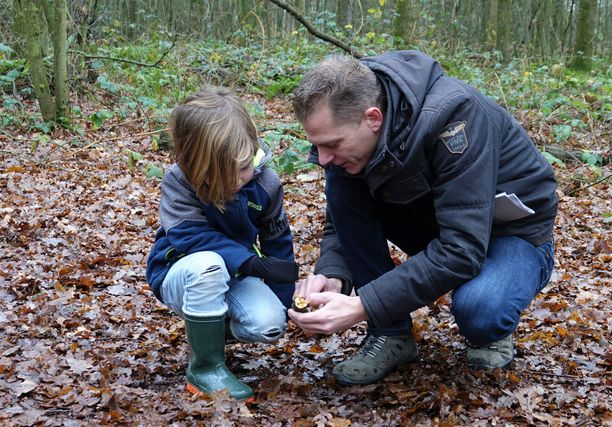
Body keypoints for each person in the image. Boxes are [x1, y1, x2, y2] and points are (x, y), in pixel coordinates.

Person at [288, 51, 557, 386]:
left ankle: (499, 304)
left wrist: (364, 305)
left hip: (511, 231)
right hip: (438, 222)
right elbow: (344, 220)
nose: (322, 157)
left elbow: (460, 250)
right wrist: (333, 274)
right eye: (317, 145)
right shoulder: (353, 134)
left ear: (373, 118)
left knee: (482, 312)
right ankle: (391, 334)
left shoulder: (458, 117)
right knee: (342, 183)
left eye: (331, 144)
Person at [146, 86, 298, 400]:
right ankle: (204, 368)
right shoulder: (179, 181)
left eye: (243, 168)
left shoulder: (266, 184)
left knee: (270, 324)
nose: (236, 180)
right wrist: (247, 261)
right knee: (209, 263)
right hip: (181, 270)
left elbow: (277, 240)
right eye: (221, 173)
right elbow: (191, 236)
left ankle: (209, 333)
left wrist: (287, 299)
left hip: (235, 275)